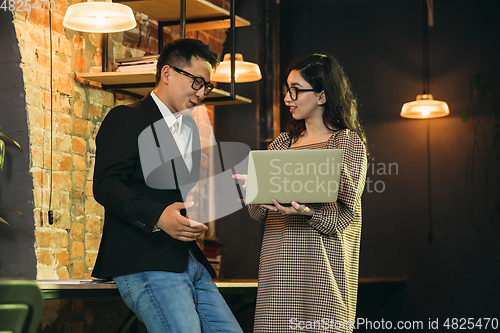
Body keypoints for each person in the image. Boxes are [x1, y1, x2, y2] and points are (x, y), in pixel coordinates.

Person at [91, 38, 243, 333]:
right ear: (167, 73)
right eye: (197, 82)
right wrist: (159, 216)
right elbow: (106, 185)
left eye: (206, 86)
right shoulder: (127, 117)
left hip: (190, 262)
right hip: (144, 260)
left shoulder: (190, 129)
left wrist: (229, 190)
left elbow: (182, 196)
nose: (201, 93)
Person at [237, 53, 367, 332]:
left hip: (322, 272)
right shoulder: (283, 143)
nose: (287, 98)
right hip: (278, 271)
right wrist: (253, 188)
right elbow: (258, 212)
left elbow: (346, 218)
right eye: (286, 90)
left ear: (322, 96)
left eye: (295, 90)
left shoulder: (346, 141)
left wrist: (306, 211)